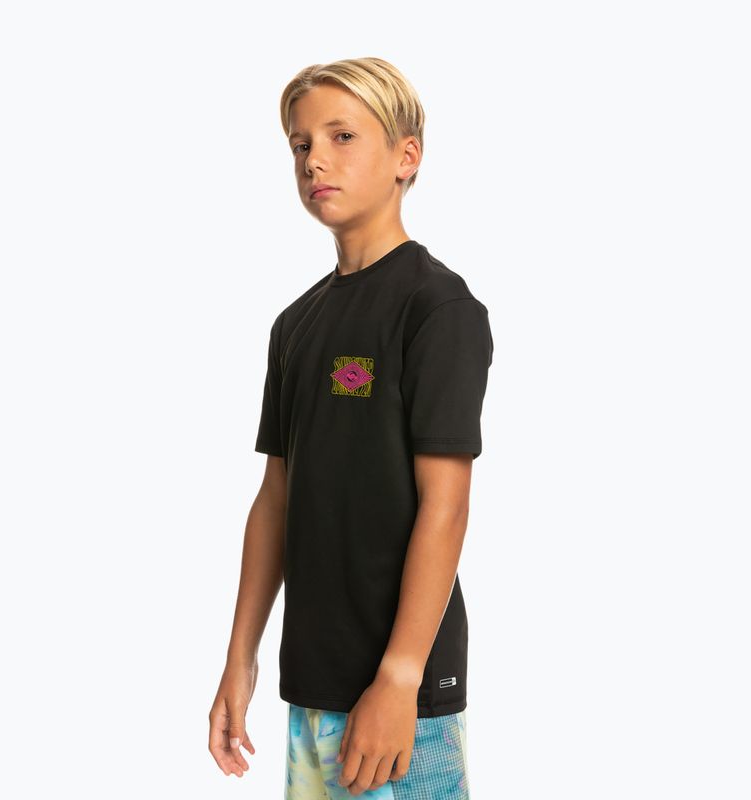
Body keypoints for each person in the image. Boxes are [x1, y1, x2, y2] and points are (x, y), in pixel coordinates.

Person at [208, 56, 494, 799]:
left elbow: (446, 504)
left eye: (342, 137)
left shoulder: (437, 308)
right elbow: (276, 498)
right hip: (315, 681)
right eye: (301, 144)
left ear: (406, 156)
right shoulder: (296, 325)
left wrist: (400, 677)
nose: (315, 160)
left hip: (403, 693)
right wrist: (241, 659)